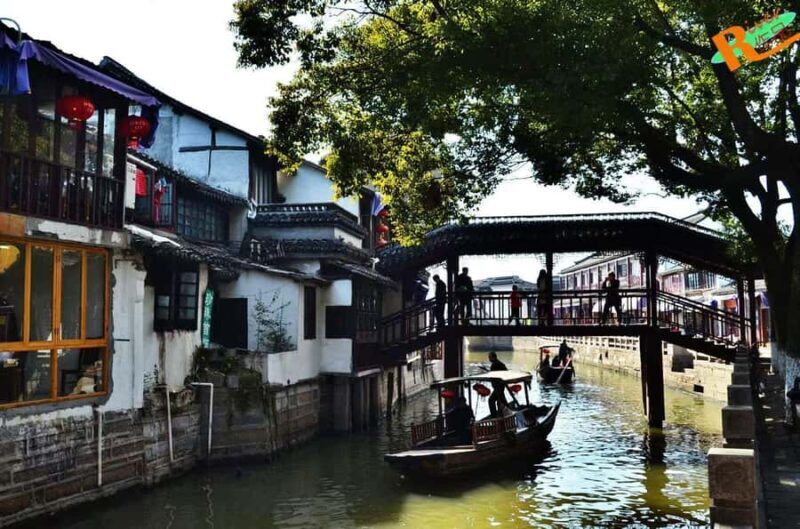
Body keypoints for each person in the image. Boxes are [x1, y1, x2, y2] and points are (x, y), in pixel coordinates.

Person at [488, 351, 508, 417]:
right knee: (502, 401)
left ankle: (494, 416)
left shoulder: (494, 365)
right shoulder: (501, 364)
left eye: (489, 357)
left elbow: (493, 376)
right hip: (501, 386)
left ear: (493, 357)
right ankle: (503, 415)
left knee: (491, 400)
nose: (489, 359)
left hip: (498, 387)